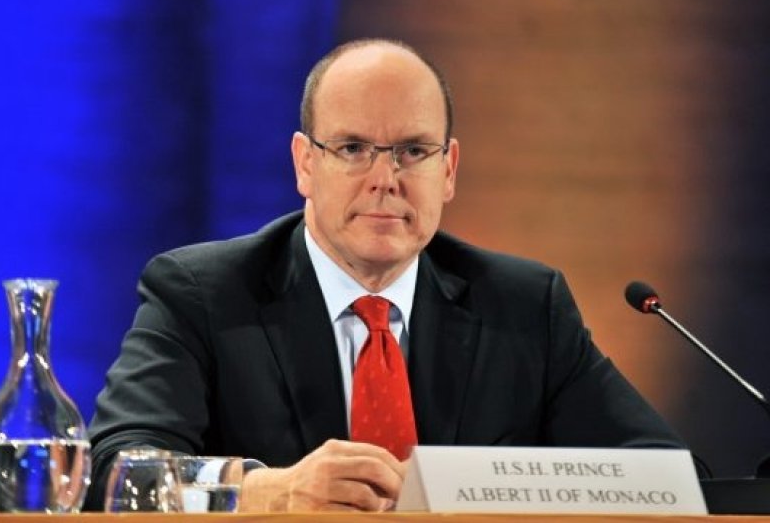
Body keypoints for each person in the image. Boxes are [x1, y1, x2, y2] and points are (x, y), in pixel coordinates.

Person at [86, 38, 686, 512]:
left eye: (412, 151)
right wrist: (260, 491)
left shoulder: (525, 307)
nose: (384, 178)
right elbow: (115, 470)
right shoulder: (201, 294)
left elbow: (667, 476)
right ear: (305, 164)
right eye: (352, 148)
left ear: (447, 170)